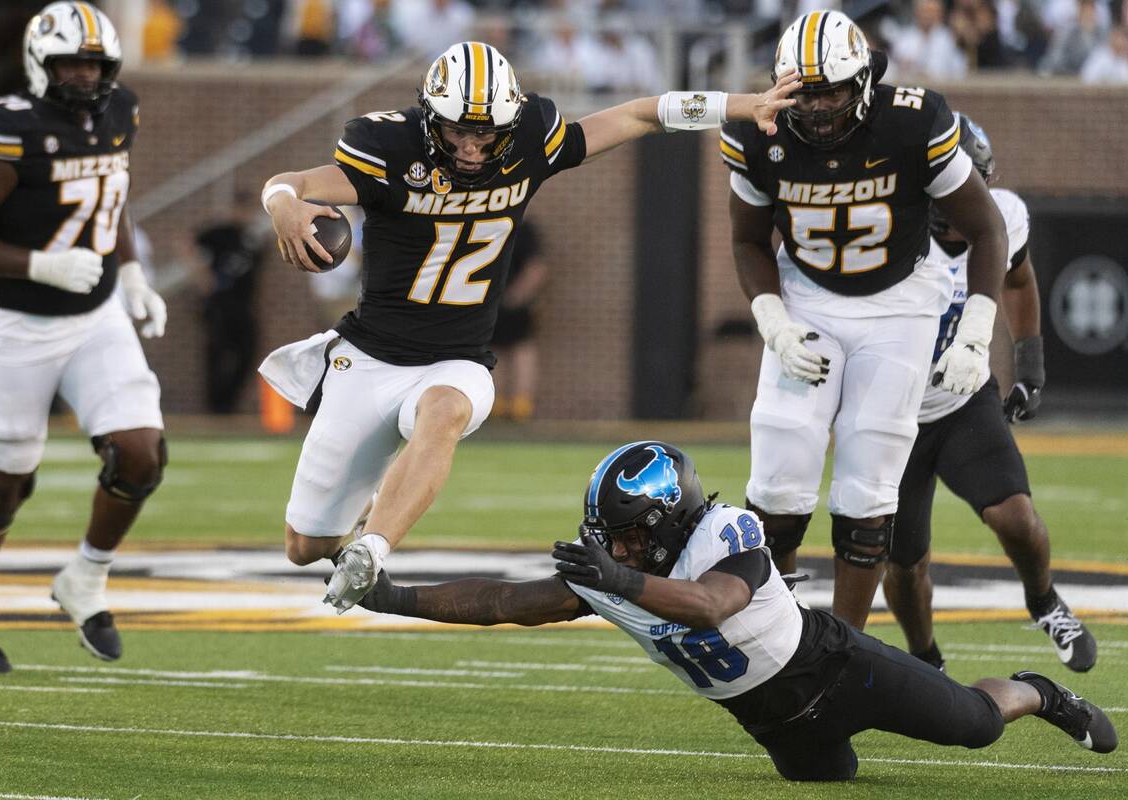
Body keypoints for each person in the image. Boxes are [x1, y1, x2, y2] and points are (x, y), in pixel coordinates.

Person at [258, 40, 803, 613]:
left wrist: (743, 105)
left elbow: (643, 113)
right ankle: (378, 491)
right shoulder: (388, 149)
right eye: (456, 132)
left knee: (443, 411)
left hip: (457, 359)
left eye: (486, 133)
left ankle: (372, 547)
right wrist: (282, 205)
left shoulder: (528, 142)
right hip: (370, 358)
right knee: (305, 546)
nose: (471, 147)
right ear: (427, 118)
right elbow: (292, 181)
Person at [350, 441, 1118, 782]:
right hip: (771, 718)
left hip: (838, 669)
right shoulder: (619, 566)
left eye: (628, 535)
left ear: (668, 518)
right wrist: (385, 595)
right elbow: (499, 603)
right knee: (828, 780)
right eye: (609, 537)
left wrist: (616, 576)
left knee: (976, 727)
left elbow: (711, 605)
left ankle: (1039, 690)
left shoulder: (728, 531)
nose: (615, 547)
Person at [720, 9, 1008, 630]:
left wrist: (976, 333)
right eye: (805, 92)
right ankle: (778, 629)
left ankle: (842, 646)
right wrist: (771, 316)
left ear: (864, 81)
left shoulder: (913, 120)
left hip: (900, 303)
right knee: (778, 472)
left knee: (869, 480)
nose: (818, 107)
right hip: (808, 296)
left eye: (831, 90)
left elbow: (987, 229)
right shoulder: (755, 132)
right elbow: (747, 241)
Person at [882, 114, 1097, 674]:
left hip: (961, 401)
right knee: (904, 565)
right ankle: (927, 661)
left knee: (1017, 519)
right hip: (888, 414)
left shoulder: (1007, 217)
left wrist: (1030, 366)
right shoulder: (887, 229)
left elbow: (1019, 280)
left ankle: (1043, 600)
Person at [0, 3, 168, 672]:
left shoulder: (119, 109)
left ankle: (86, 579)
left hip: (95, 315)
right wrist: (36, 263)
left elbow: (111, 192)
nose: (82, 75)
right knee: (4, 488)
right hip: (15, 321)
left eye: (93, 63)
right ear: (41, 63)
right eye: (70, 63)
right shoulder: (12, 129)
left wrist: (130, 272)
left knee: (141, 453)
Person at [192, 189, 265, 414]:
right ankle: (215, 407)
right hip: (220, 304)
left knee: (248, 352)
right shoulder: (220, 232)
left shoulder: (252, 237)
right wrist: (203, 277)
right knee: (217, 352)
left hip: (244, 305)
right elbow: (188, 243)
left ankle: (227, 405)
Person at [489, 219, 548, 421]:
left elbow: (536, 269)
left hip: (508, 302)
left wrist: (517, 295)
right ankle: (500, 404)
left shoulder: (523, 231)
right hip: (493, 302)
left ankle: (520, 405)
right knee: (496, 351)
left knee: (520, 349)